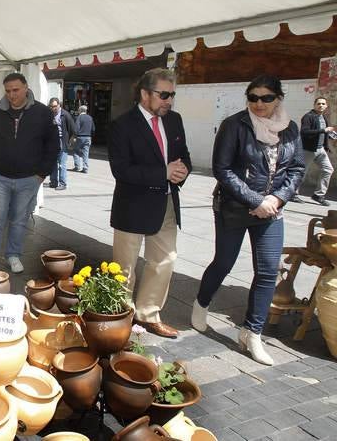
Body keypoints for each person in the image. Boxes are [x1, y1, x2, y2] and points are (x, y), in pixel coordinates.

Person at [192, 75, 305, 365]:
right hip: (233, 207)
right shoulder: (235, 125)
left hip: (271, 211)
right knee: (224, 262)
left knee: (268, 271)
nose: (259, 103)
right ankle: (201, 303)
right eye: (253, 97)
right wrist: (257, 201)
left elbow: (296, 169)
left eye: (266, 97)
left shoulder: (290, 128)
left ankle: (251, 333)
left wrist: (276, 200)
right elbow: (223, 169)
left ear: (278, 99)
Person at [109, 68, 191, 339]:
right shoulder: (122, 125)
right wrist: (162, 173)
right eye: (163, 94)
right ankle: (121, 314)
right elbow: (121, 170)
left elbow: (183, 157)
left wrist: (182, 172)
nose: (169, 100)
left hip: (166, 203)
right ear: (145, 94)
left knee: (164, 261)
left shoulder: (175, 120)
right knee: (125, 267)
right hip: (132, 206)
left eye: (172, 95)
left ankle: (148, 314)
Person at [0, 73, 58, 273]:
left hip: (29, 178)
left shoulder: (42, 113)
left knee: (19, 219)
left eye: (16, 90)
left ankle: (13, 255)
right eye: (8, 91)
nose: (12, 95)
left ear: (25, 88)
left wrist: (42, 173)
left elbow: (53, 145)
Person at [290, 97, 333, 205]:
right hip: (308, 149)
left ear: (326, 106)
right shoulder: (308, 117)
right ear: (314, 105)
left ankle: (318, 195)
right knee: (301, 172)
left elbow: (323, 133)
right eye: (318, 103)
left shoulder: (323, 117)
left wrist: (328, 138)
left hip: (320, 149)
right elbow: (304, 132)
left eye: (323, 104)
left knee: (328, 169)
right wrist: (323, 130)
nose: (321, 105)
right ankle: (293, 194)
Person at [46, 97, 75, 191]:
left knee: (62, 164)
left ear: (59, 105)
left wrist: (68, 141)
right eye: (51, 106)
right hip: (52, 142)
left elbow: (72, 129)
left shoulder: (65, 115)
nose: (53, 108)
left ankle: (63, 183)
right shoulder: (49, 114)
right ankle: (53, 182)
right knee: (53, 163)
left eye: (54, 106)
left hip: (62, 142)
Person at [72, 105, 95, 173]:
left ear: (80, 110)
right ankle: (85, 168)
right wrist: (91, 136)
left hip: (80, 137)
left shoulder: (79, 117)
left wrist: (74, 137)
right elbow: (93, 129)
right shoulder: (90, 118)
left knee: (76, 151)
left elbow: (76, 128)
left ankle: (77, 166)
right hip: (88, 137)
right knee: (86, 153)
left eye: (78, 110)